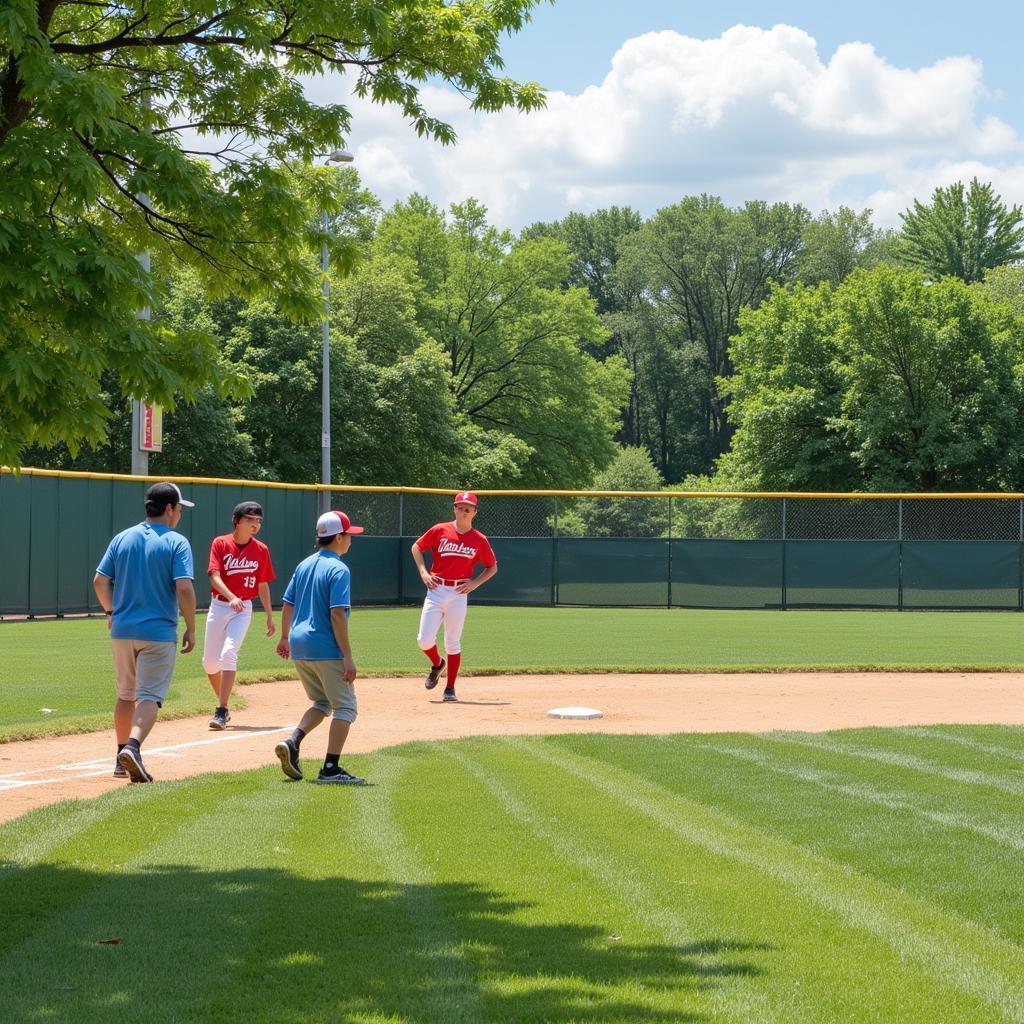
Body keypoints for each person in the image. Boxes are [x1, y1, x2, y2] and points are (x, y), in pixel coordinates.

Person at [92, 481, 197, 783]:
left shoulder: (123, 538)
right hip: (158, 632)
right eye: (179, 508)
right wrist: (191, 626)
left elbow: (99, 581)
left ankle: (120, 755)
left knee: (126, 695)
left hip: (122, 630)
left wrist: (111, 611)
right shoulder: (177, 542)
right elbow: (185, 587)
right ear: (168, 509)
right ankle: (134, 749)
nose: (179, 514)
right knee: (149, 696)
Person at [273, 510, 366, 785]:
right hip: (325, 644)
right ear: (338, 537)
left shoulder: (304, 565)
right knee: (346, 708)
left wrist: (283, 637)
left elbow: (288, 603)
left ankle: (293, 741)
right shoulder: (339, 569)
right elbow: (337, 614)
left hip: (299, 644)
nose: (350, 540)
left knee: (322, 702)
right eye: (349, 535)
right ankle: (330, 768)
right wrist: (347, 656)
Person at [411, 491, 498, 703]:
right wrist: (423, 572)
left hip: (459, 593)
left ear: (475, 512)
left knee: (453, 642)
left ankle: (450, 688)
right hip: (436, 589)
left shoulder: (479, 540)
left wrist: (474, 583)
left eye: (469, 507)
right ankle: (438, 664)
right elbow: (417, 547)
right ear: (454, 509)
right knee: (424, 640)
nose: (464, 510)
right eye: (461, 506)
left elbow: (492, 567)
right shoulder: (440, 529)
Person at [202, 501, 276, 730]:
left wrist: (270, 616)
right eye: (250, 519)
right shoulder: (221, 543)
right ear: (237, 520)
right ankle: (224, 703)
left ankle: (221, 711)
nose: (255, 524)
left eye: (259, 520)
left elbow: (262, 584)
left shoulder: (261, 549)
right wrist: (230, 596)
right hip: (220, 605)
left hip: (243, 608)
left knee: (229, 653)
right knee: (210, 664)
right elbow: (214, 576)